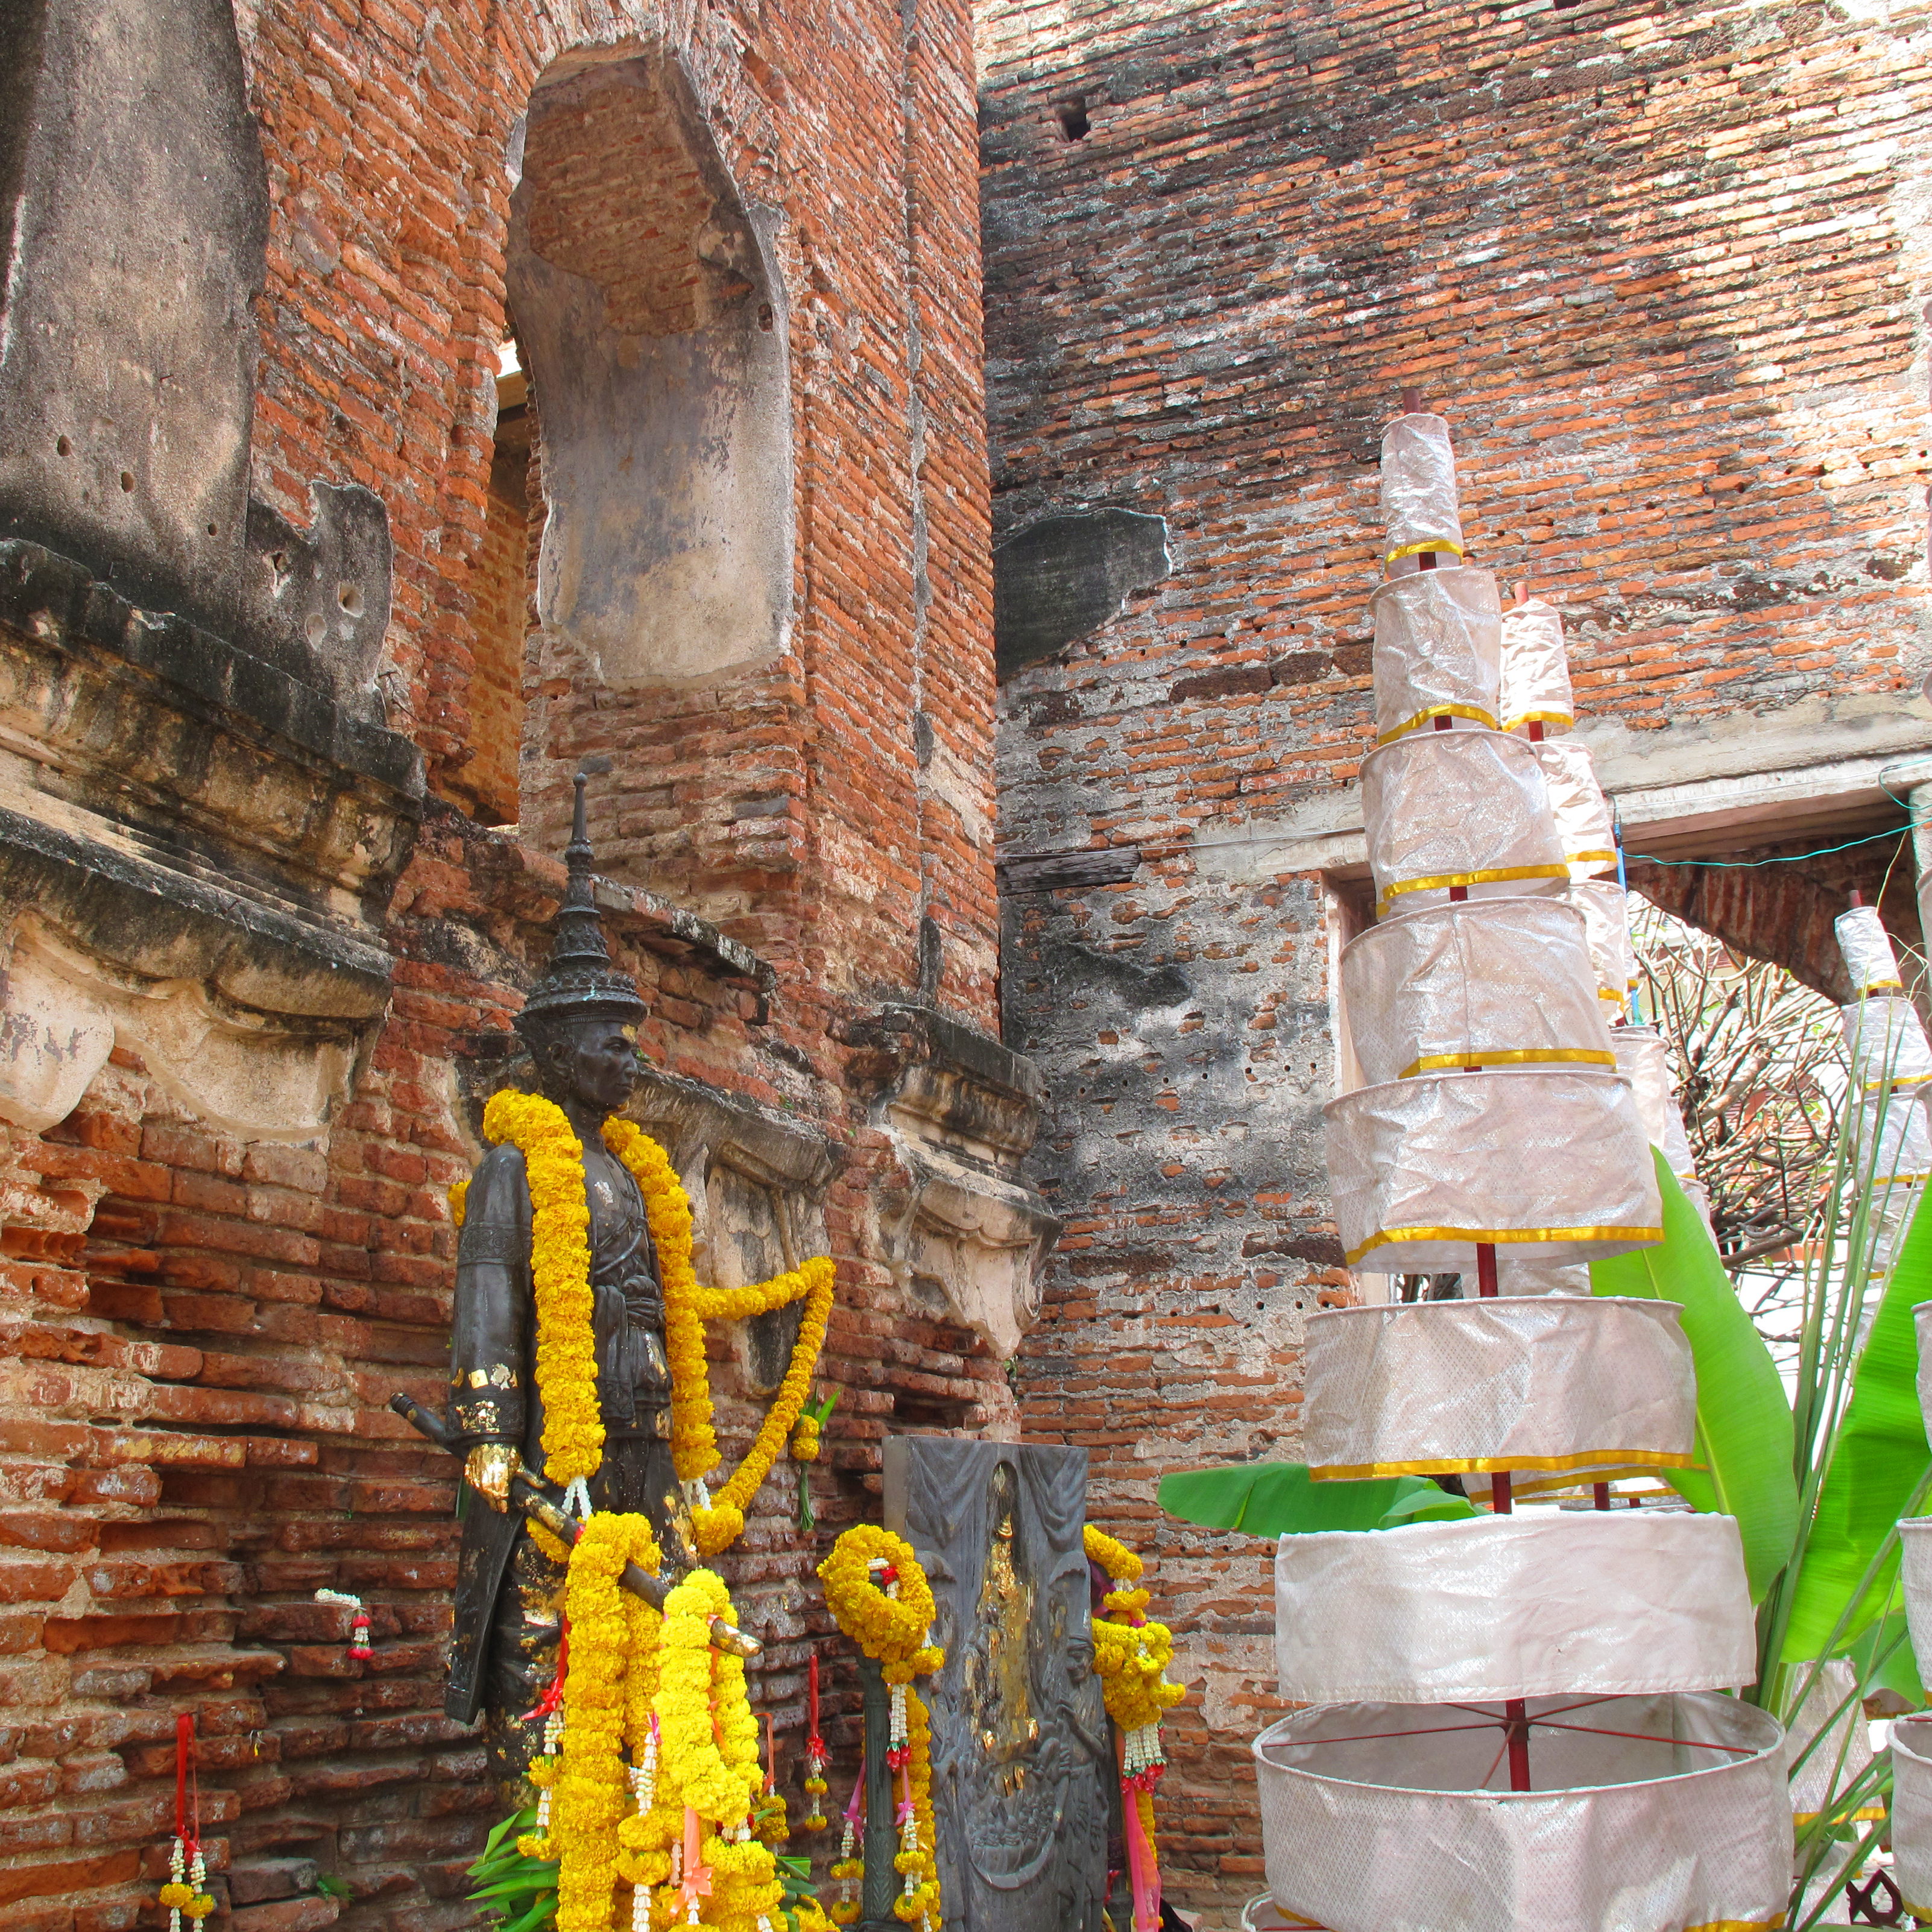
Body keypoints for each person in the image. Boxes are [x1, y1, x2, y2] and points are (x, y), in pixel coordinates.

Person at [442, 772, 696, 1792]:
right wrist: (491, 1438)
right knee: (543, 1647)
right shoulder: (517, 1164)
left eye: (630, 1035)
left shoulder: (634, 1170)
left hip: (643, 1435)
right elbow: (490, 1303)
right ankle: (548, 1832)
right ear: (553, 1050)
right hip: (558, 1439)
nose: (628, 1054)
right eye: (608, 1037)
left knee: (654, 1625)